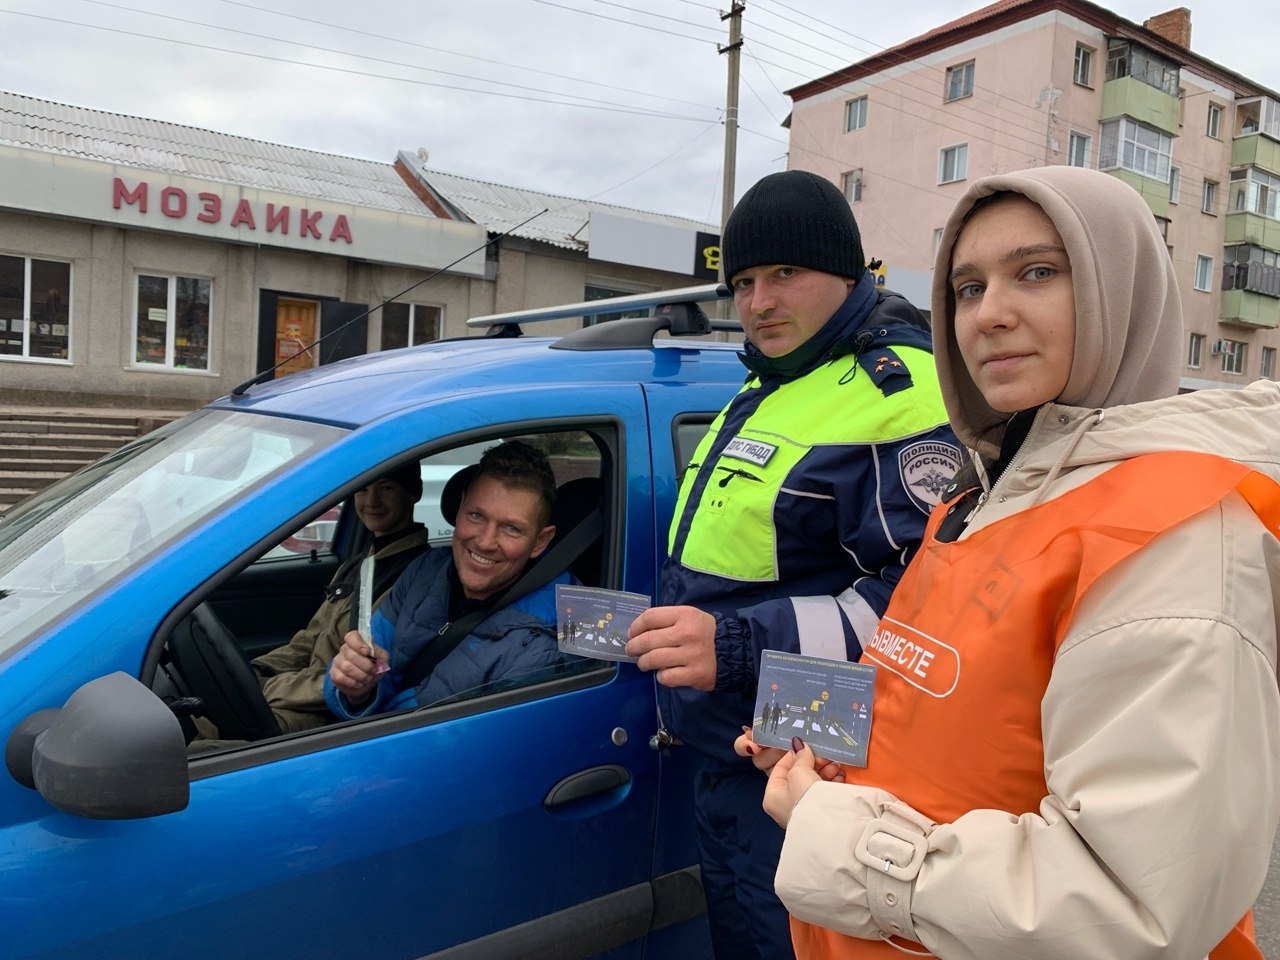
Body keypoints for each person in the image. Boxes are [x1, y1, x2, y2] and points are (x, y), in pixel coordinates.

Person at [752, 165, 1280, 959]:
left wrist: (832, 826)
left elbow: (1129, 908)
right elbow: (954, 707)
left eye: (1037, 273)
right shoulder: (986, 494)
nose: (988, 316)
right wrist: (831, 755)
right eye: (966, 287)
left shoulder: (1173, 538)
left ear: (1121, 293)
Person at [625, 169, 963, 959]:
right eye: (742, 281)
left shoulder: (900, 396)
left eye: (784, 274)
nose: (759, 302)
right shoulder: (773, 379)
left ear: (848, 275)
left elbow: (926, 607)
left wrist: (737, 645)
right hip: (733, 751)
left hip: (812, 772)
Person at [325, 440, 571, 717]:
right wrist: (356, 688)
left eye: (511, 528)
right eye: (476, 515)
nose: (486, 542)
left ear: (540, 541)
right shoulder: (427, 570)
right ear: (460, 506)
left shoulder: (544, 647)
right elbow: (371, 654)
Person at [249, 462, 431, 733]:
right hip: (295, 698)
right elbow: (308, 640)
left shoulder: (416, 577)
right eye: (363, 489)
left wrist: (271, 689)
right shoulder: (356, 565)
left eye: (387, 488)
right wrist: (256, 672)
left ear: (412, 493)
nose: (372, 501)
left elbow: (362, 674)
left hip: (329, 719)